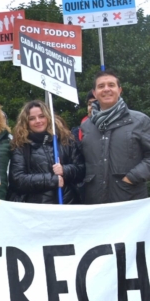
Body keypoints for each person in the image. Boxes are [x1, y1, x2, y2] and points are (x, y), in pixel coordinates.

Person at [81, 70, 150, 204]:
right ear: (94, 93)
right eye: (101, 86)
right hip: (95, 201)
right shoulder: (87, 126)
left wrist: (132, 178)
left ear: (119, 90)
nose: (106, 89)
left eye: (111, 85)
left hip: (130, 199)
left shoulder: (139, 121)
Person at [8, 100, 85, 204]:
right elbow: (17, 179)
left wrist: (65, 170)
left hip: (67, 204)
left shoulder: (65, 140)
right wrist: (52, 180)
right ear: (26, 122)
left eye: (41, 116)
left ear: (48, 117)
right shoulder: (21, 146)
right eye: (32, 118)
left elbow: (81, 169)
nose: (38, 121)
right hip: (37, 208)